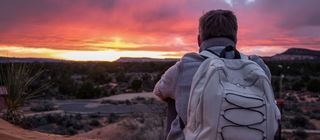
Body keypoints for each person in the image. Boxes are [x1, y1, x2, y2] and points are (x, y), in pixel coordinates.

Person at [153, 9, 277, 140]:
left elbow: (159, 91)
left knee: (172, 99)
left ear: (199, 40)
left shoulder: (185, 66)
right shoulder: (258, 66)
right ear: (235, 39)